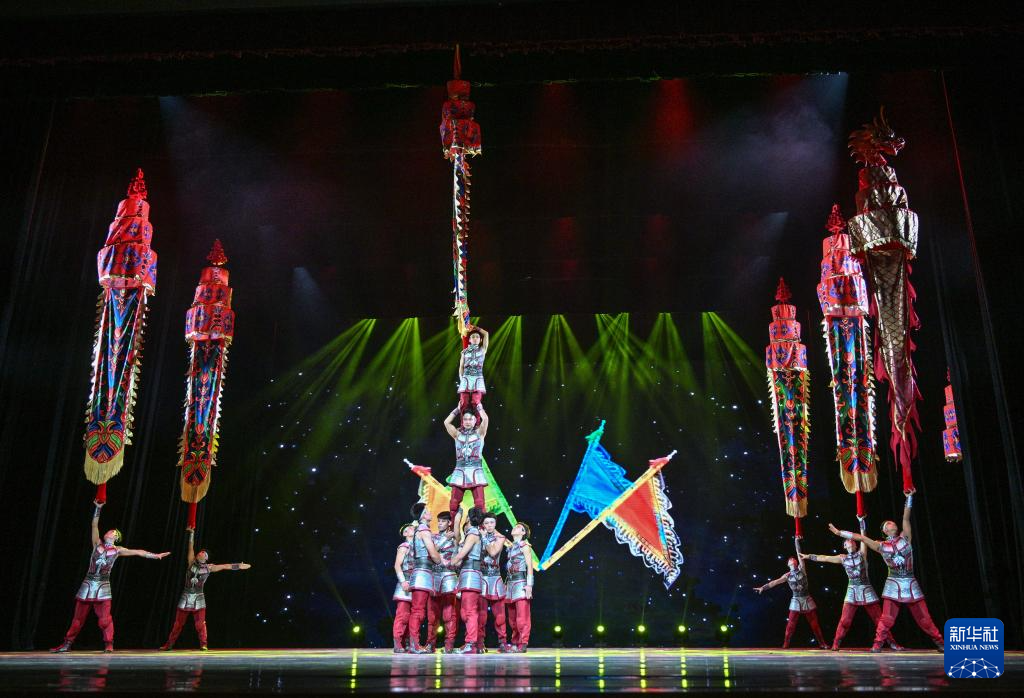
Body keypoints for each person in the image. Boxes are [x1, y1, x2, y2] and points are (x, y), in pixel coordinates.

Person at [828, 490, 943, 652]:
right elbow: (861, 538)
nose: (891, 523)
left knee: (924, 618)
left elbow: (906, 518)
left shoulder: (905, 538)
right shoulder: (881, 546)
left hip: (910, 582)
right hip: (893, 583)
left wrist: (909, 498)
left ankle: (940, 642)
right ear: (884, 531)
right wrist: (839, 532)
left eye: (892, 522)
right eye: (888, 523)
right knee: (887, 619)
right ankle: (877, 644)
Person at [51, 500, 170, 653]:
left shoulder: (118, 550)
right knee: (77, 619)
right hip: (88, 584)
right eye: (109, 531)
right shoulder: (97, 544)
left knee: (105, 619)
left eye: (112, 532)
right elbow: (94, 526)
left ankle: (108, 644)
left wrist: (156, 555)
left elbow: (138, 552)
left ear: (116, 537)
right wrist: (98, 509)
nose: (109, 532)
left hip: (103, 586)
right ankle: (67, 643)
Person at [801, 516, 903, 651]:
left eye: (852, 541)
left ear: (855, 544)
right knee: (845, 620)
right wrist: (808, 556)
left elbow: (863, 537)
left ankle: (892, 643)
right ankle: (836, 643)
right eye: (847, 541)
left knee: (879, 619)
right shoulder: (842, 558)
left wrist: (861, 522)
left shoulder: (862, 554)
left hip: (866, 589)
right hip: (852, 590)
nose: (850, 542)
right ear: (844, 546)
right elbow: (824, 558)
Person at [159, 527, 251, 650]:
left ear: (206, 558)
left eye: (203, 553)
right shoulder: (191, 563)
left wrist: (239, 565)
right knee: (178, 624)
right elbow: (190, 548)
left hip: (199, 597)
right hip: (185, 596)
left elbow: (225, 566)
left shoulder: (209, 567)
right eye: (200, 551)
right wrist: (191, 534)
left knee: (200, 624)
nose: (200, 553)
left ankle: (203, 644)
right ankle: (169, 645)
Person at [754, 545, 828, 649]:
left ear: (797, 562)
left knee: (814, 624)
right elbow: (775, 582)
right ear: (788, 564)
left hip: (806, 599)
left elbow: (798, 553)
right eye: (790, 560)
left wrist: (796, 541)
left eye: (794, 559)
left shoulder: (802, 569)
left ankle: (822, 643)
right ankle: (786, 643)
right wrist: (763, 587)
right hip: (796, 600)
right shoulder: (787, 576)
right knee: (791, 624)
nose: (792, 559)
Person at [449, 507, 486, 654]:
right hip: (467, 574)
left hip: (471, 575)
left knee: (469, 611)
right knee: (465, 611)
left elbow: (461, 555)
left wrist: (449, 562)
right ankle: (470, 643)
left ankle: (471, 643)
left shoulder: (473, 534)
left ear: (469, 519)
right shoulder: (472, 533)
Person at [406, 503, 442, 653]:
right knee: (418, 611)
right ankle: (414, 644)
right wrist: (439, 560)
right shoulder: (424, 530)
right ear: (421, 516)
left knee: (418, 610)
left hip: (423, 572)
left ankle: (414, 643)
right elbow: (432, 553)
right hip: (422, 573)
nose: (429, 512)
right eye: (426, 511)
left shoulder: (419, 530)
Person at [443, 406, 489, 517]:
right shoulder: (457, 434)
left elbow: (485, 419)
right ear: (462, 421)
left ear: (475, 420)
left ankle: (481, 525)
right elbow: (446, 422)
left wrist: (480, 407)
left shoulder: (480, 433)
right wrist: (457, 409)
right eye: (465, 419)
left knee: (479, 503)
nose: (467, 422)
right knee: (453, 503)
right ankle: (453, 524)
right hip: (460, 470)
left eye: (470, 419)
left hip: (475, 470)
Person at [428, 512, 460, 653]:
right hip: (434, 576)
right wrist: (443, 539)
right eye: (439, 521)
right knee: (432, 614)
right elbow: (431, 552)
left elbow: (458, 555)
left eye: (443, 521)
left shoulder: (455, 538)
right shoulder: (432, 537)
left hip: (449, 576)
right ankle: (430, 644)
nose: (440, 523)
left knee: (449, 613)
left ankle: (449, 644)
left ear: (449, 523)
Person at [479, 512, 509, 652]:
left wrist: (484, 538)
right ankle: (479, 643)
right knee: (481, 615)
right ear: (483, 525)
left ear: (495, 523)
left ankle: (503, 642)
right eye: (486, 523)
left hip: (495, 579)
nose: (489, 525)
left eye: (492, 522)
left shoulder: (500, 537)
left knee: (500, 615)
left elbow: (493, 552)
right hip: (481, 579)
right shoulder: (477, 536)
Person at [504, 522, 534, 653]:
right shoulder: (511, 547)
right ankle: (515, 642)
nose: (515, 527)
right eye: (515, 525)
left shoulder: (525, 546)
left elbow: (530, 566)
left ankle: (523, 642)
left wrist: (529, 585)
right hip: (510, 584)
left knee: (522, 616)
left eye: (519, 527)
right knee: (512, 618)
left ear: (523, 533)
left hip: (521, 583)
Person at [391, 523, 416, 652]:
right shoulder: (404, 546)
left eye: (412, 527)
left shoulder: (418, 546)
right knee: (403, 615)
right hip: (405, 582)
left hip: (416, 582)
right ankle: (398, 643)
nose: (412, 529)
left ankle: (408, 642)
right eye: (409, 528)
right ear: (405, 533)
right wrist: (403, 581)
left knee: (414, 616)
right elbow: (397, 565)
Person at [457, 325, 489, 414]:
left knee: (476, 403)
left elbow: (486, 334)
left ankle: (478, 421)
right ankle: (464, 422)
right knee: (463, 403)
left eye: (477, 337)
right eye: (473, 337)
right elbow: (461, 366)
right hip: (466, 378)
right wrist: (461, 378)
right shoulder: (464, 352)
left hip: (477, 379)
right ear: (469, 340)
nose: (475, 338)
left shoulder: (483, 350)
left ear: (480, 340)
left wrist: (476, 328)